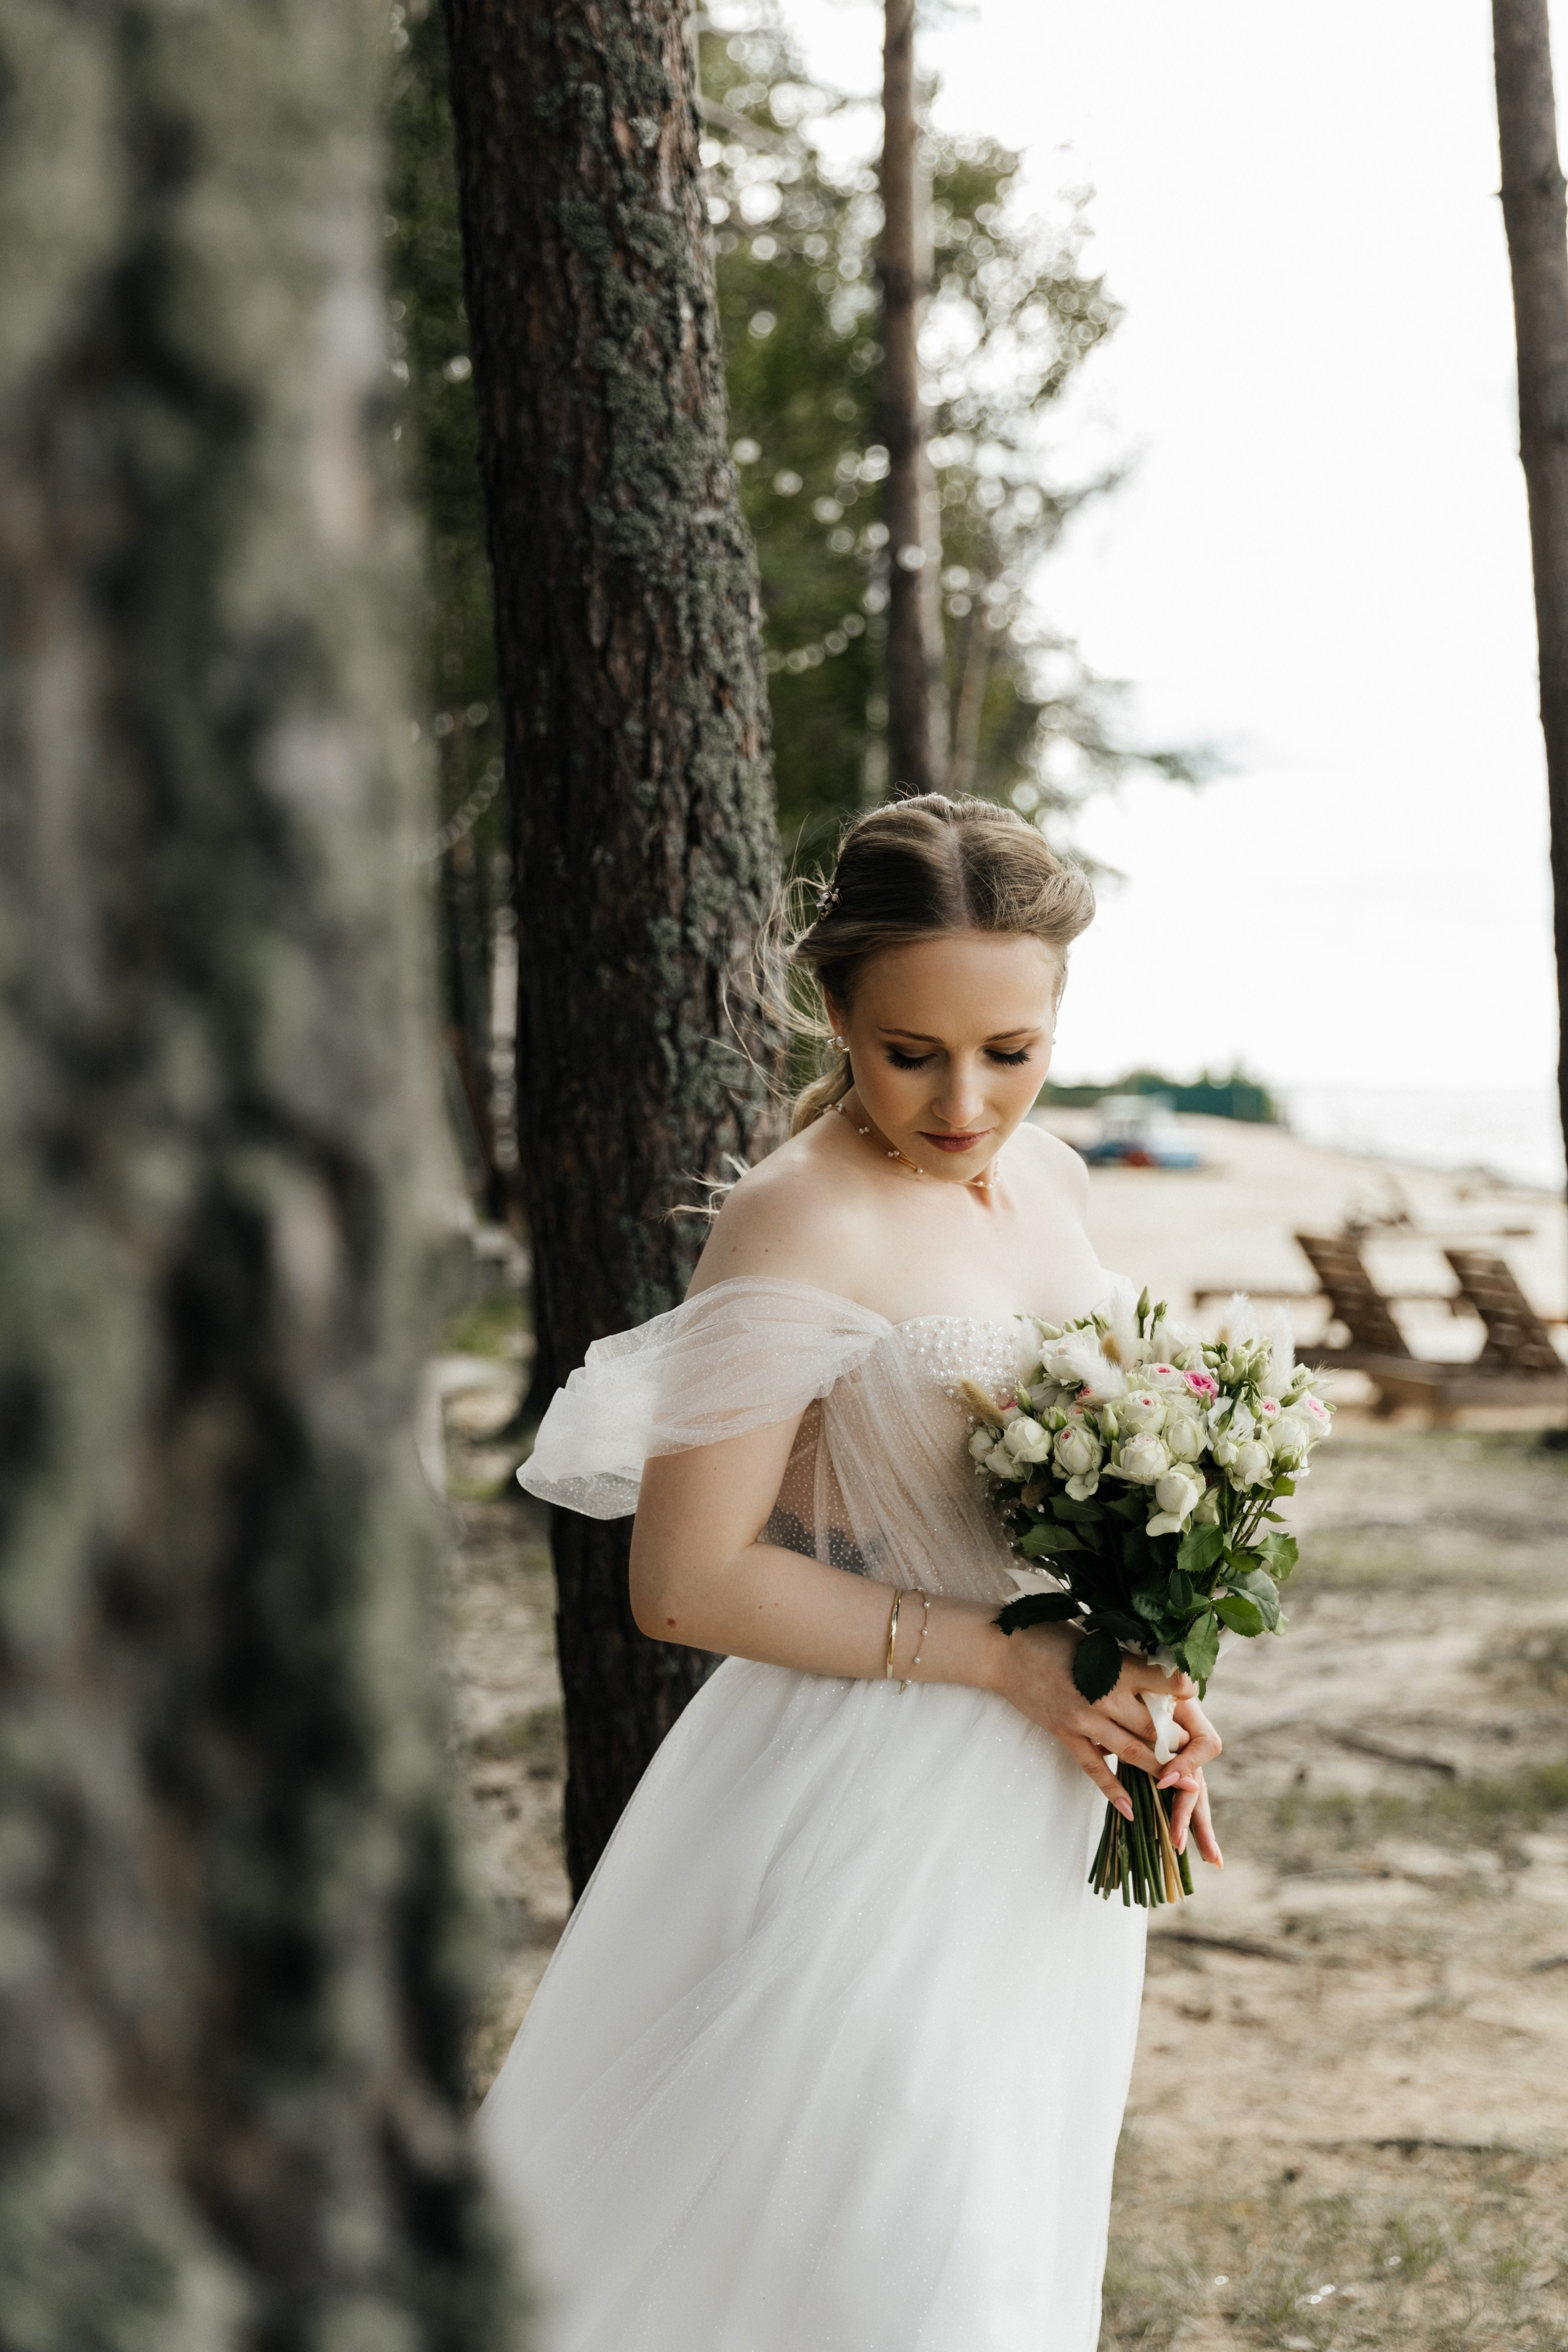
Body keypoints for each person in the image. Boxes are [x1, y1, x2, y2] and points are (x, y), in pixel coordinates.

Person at [480, 794, 1222, 2351]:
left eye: (1009, 1053)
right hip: (862, 1794)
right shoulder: (793, 1219)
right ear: (834, 1010)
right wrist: (1000, 1657)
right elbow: (683, 1585)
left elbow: (1078, 1508)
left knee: (1003, 2219)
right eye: (911, 1052)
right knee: (891, 2249)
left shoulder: (1061, 1185)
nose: (965, 1102)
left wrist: (1146, 1670)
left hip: (1043, 1809)